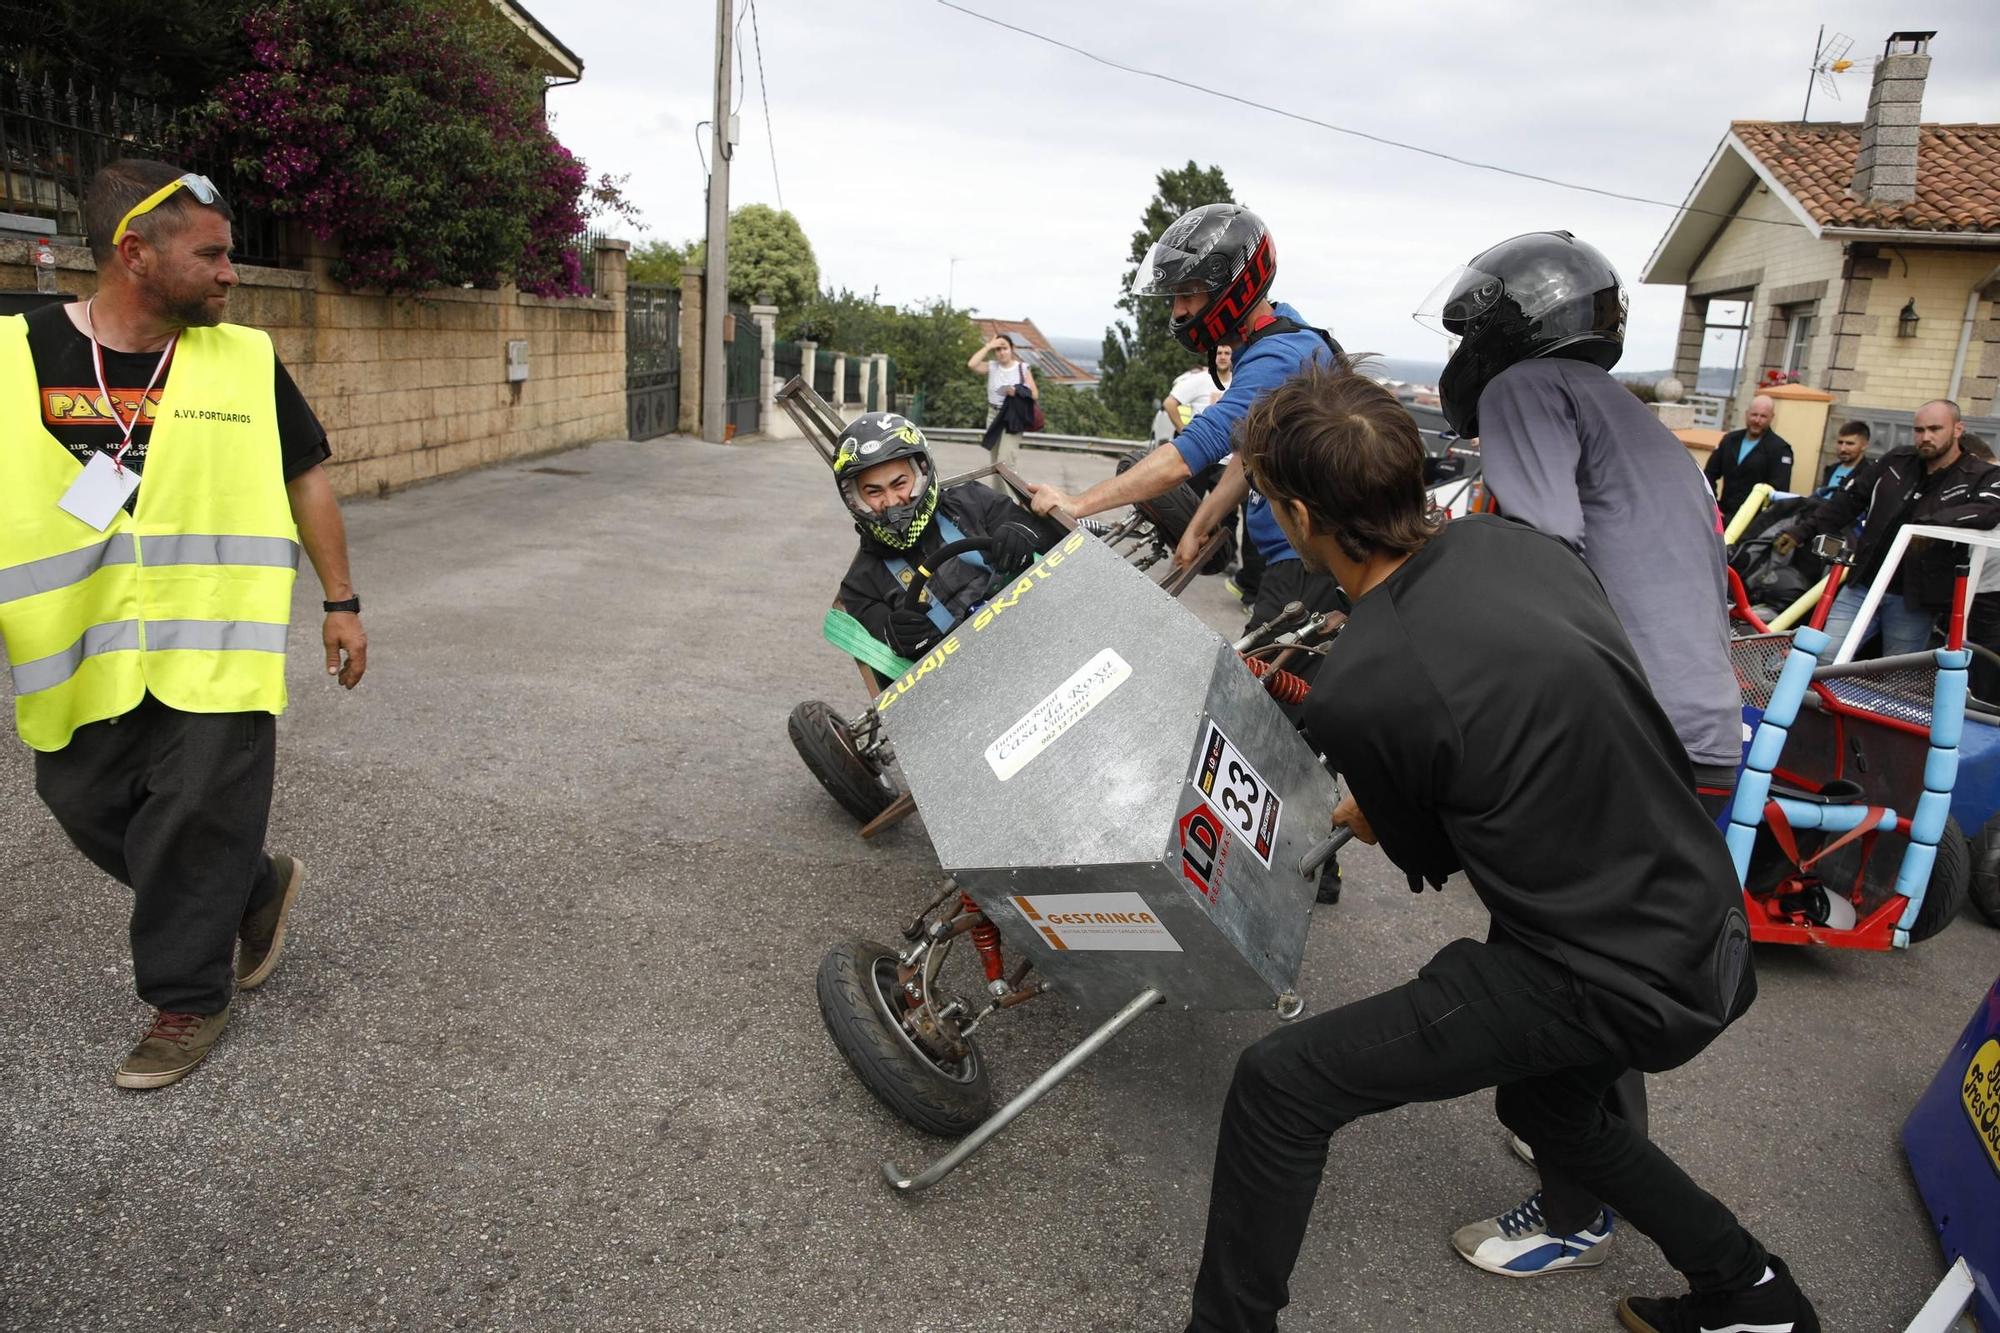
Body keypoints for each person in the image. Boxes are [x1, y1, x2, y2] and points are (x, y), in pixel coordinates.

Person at [1184, 358, 1816, 1333]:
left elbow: (1428, 856)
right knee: (1550, 1112)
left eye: (1266, 499)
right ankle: (1750, 1295)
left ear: (1302, 516)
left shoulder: (1365, 683)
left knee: (1279, 1086)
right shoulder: (1517, 548)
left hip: (1592, 970)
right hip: (1699, 918)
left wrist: (1348, 810)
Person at [1421, 230, 1746, 1279]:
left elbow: (1538, 561)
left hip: (1628, 740)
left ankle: (1574, 1206)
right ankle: (1584, 1143)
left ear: (1501, 325)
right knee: (1605, 970)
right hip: (1698, 737)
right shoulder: (1637, 419)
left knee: (1562, 972)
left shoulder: (1524, 391)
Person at [1, 159, 365, 1089]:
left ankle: (185, 999)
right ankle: (251, 888)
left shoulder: (241, 359)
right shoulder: (12, 352)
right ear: (135, 254)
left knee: (197, 812)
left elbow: (305, 477)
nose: (231, 272)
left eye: (231, 255)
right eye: (211, 255)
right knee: (80, 802)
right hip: (75, 647)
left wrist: (340, 601)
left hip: (216, 642)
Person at [1025, 204, 1343, 640]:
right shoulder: (1279, 334)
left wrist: (1078, 504)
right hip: (1297, 557)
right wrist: (1199, 523)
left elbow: (1186, 456)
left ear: (1235, 286)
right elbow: (1251, 454)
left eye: (1189, 293)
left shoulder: (1279, 356)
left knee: (1258, 695)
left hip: (1313, 562)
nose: (1178, 310)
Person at [1780, 399, 2000, 659]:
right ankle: (1804, 699)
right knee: (1823, 657)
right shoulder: (1896, 461)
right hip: (1863, 583)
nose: (1926, 437)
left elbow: (1989, 511)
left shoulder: (1979, 475)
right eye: (1919, 430)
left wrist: (1928, 526)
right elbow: (1846, 502)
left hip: (1914, 599)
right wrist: (1802, 531)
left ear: (1957, 429)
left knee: (1892, 673)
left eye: (1935, 429)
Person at [828, 412, 1052, 661]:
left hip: (1035, 632)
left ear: (921, 474)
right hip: (962, 678)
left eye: (899, 483)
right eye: (873, 491)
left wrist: (1022, 536)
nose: (891, 502)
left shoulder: (973, 501)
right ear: (856, 499)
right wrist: (895, 638)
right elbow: (886, 657)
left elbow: (1047, 538)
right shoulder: (860, 585)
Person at [1704, 394, 1794, 517]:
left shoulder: (1780, 449)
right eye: (1754, 414)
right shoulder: (1729, 440)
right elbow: (1709, 474)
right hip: (1723, 514)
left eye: (1763, 416)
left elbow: (1778, 491)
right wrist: (1713, 505)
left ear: (1771, 417)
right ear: (1746, 414)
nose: (1757, 420)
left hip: (1754, 522)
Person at [966, 332, 1037, 480]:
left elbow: (1034, 394)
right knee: (995, 464)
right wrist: (988, 346)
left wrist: (1016, 390)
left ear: (1012, 348)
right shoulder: (992, 366)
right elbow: (972, 364)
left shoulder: (1022, 368)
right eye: (997, 349)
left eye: (1004, 348)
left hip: (1013, 416)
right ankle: (999, 499)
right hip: (993, 415)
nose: (1001, 352)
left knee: (1006, 462)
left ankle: (1009, 500)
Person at [1164, 344, 1232, 434]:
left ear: (1233, 356)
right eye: (1218, 353)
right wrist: (1184, 432)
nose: (1222, 357)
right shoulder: (1200, 379)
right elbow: (1169, 403)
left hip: (1230, 442)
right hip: (1202, 442)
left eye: (1227, 353)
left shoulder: (1239, 380)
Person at [1816, 420, 1870, 498]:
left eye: (1850, 443)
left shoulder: (1866, 475)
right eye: (1840, 442)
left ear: (1864, 445)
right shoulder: (1831, 469)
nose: (1843, 449)